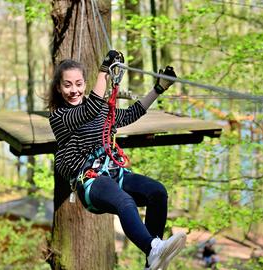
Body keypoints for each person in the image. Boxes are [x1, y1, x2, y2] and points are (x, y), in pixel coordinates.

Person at [48, 50, 186, 270]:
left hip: (114, 173)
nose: (74, 90)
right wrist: (105, 70)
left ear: (85, 84)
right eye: (67, 85)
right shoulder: (60, 117)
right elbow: (90, 109)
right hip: (90, 181)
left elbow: (131, 114)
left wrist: (158, 89)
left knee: (157, 192)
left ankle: (153, 259)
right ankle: (153, 249)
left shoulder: (101, 109)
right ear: (59, 88)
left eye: (78, 84)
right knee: (125, 202)